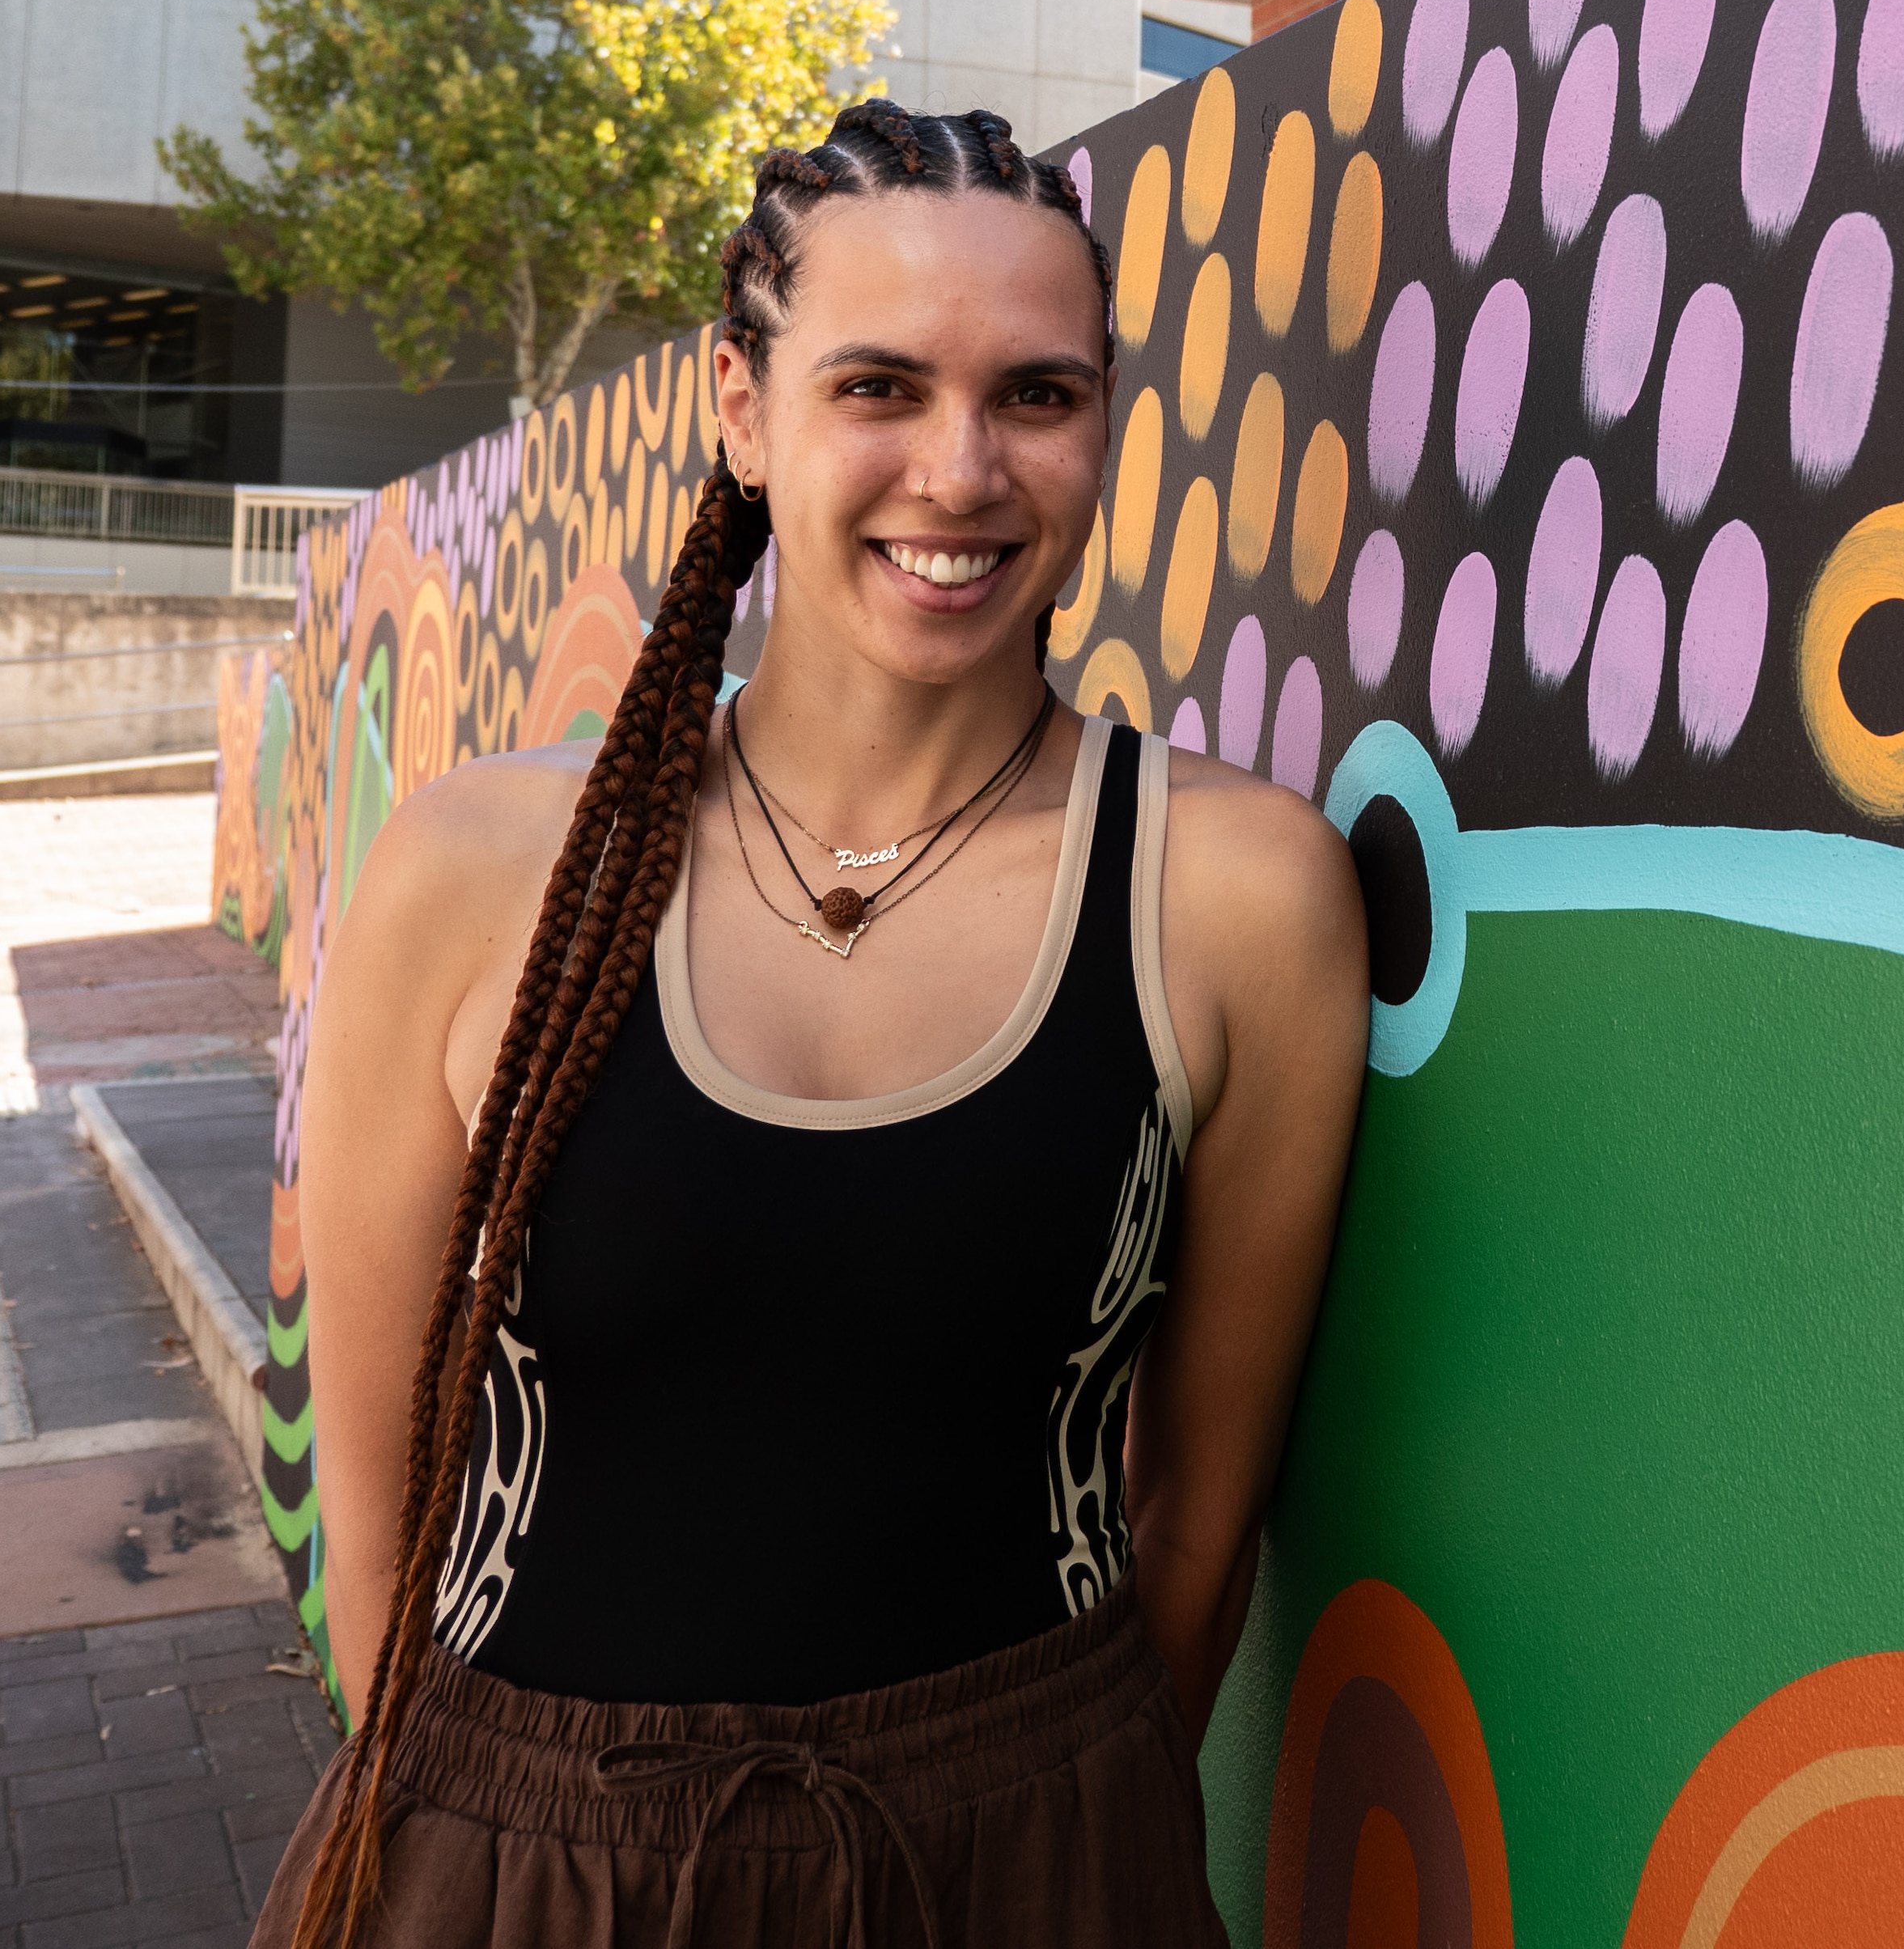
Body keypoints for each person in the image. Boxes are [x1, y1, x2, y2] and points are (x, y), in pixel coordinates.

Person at [257, 100, 1370, 1948]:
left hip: (1030, 1859)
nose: (963, 471)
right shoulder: (481, 871)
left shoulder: (1236, 893)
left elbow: (1193, 1515)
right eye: (878, 388)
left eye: (1036, 395)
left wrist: (1058, 1823)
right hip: (527, 1866)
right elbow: (370, 1505)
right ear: (738, 406)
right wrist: (482, 1851)